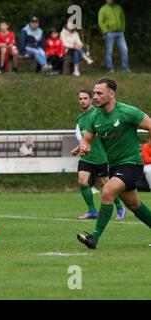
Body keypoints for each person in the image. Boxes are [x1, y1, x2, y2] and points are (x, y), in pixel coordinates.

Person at [77, 77, 151, 249]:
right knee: (133, 204)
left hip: (132, 164)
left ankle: (94, 238)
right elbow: (87, 139)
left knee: (107, 191)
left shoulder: (127, 112)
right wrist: (84, 147)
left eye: (99, 93)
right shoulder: (94, 116)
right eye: (94, 92)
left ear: (111, 94)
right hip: (115, 165)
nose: (94, 96)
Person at [71, 89, 125, 220]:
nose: (82, 101)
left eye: (85, 98)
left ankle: (120, 207)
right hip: (86, 156)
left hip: (100, 156)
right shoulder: (79, 118)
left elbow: (101, 133)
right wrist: (78, 148)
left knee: (107, 185)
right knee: (82, 181)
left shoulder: (98, 113)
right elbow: (87, 137)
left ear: (90, 100)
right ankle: (92, 210)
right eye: (80, 99)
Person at [98, 0, 130, 73]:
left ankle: (125, 68)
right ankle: (110, 68)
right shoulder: (103, 9)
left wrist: (122, 29)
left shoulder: (118, 8)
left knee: (124, 50)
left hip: (120, 33)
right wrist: (106, 31)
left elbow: (123, 19)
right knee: (109, 51)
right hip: (109, 33)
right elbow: (100, 22)